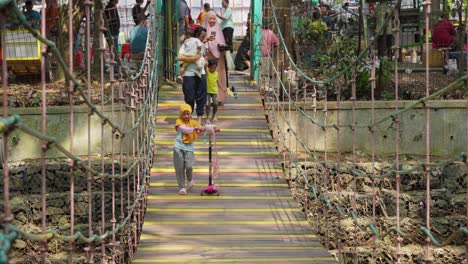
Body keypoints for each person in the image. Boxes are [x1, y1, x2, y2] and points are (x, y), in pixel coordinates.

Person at [173, 103, 205, 195]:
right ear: (181, 114)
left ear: (191, 114)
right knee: (180, 167)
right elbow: (184, 129)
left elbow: (201, 128)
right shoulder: (178, 121)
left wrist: (210, 129)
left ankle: (190, 179)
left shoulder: (193, 122)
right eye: (184, 114)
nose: (186, 116)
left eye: (188, 114)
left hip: (189, 147)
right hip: (178, 147)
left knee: (189, 166)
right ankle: (182, 187)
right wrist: (194, 129)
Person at [178, 34, 206, 124]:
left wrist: (188, 59)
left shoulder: (200, 44)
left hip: (200, 73)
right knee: (189, 97)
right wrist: (193, 58)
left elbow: (202, 56)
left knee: (201, 96)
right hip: (188, 74)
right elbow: (179, 57)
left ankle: (199, 118)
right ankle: (189, 117)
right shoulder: (185, 44)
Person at [203, 10, 227, 105]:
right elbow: (200, 42)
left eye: (214, 19)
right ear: (206, 19)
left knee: (219, 76)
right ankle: (208, 98)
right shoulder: (204, 30)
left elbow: (221, 41)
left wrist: (222, 46)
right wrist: (206, 40)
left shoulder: (219, 30)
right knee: (208, 77)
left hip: (218, 58)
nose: (212, 21)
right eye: (210, 19)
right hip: (208, 56)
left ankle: (219, 97)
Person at [105, 0, 121, 71]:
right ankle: (115, 68)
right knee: (114, 51)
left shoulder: (112, 7)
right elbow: (109, 20)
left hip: (114, 32)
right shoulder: (109, 7)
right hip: (112, 33)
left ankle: (116, 68)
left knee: (115, 51)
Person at [205, 59, 220, 123]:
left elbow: (217, 82)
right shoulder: (207, 72)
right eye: (211, 68)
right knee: (207, 104)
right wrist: (205, 65)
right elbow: (205, 68)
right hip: (207, 91)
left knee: (216, 104)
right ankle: (207, 117)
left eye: (214, 68)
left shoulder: (216, 73)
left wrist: (222, 88)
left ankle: (213, 116)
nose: (213, 69)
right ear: (208, 67)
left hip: (214, 91)